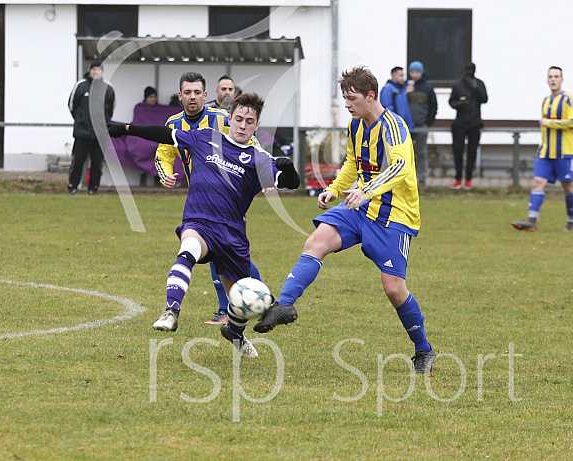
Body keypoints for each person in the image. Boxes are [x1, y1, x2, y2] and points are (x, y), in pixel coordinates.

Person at [234, 65, 436, 375]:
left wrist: (365, 191)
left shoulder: (394, 126)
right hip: (359, 208)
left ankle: (423, 351)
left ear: (371, 96)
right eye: (344, 98)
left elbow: (400, 169)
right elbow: (353, 164)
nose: (346, 104)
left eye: (351, 98)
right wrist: (334, 189)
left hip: (394, 216)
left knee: (394, 289)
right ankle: (284, 304)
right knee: (316, 241)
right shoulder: (356, 126)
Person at [108, 93, 301, 357]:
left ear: (256, 126)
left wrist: (287, 167)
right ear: (229, 119)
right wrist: (127, 129)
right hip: (199, 220)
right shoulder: (206, 137)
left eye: (249, 121)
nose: (243, 125)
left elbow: (291, 183)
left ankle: (234, 332)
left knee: (240, 293)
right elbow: (166, 134)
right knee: (188, 247)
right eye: (239, 119)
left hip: (232, 233)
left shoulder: (258, 158)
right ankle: (171, 311)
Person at [155, 72, 263, 326]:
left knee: (224, 254)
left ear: (205, 95)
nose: (192, 97)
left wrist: (263, 175)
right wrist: (166, 175)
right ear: (180, 95)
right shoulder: (173, 123)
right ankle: (248, 303)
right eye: (187, 93)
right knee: (225, 255)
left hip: (229, 198)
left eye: (197, 93)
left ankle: (237, 306)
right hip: (201, 199)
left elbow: (252, 143)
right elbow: (163, 153)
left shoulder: (221, 119)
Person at [512, 66, 573, 232]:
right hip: (545, 152)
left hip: (564, 152)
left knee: (568, 186)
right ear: (547, 79)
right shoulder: (546, 100)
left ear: (562, 79)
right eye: (550, 76)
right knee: (537, 182)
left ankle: (571, 222)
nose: (553, 79)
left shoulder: (569, 99)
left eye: (556, 76)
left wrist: (550, 122)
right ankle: (531, 220)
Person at [67, 60, 115, 195]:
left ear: (102, 72)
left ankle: (93, 189)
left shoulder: (108, 88)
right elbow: (72, 105)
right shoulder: (80, 86)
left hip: (99, 134)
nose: (96, 72)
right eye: (93, 69)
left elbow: (110, 109)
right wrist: (80, 120)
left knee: (97, 162)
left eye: (98, 69)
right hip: (82, 132)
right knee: (78, 161)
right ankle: (72, 186)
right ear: (90, 71)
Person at [448, 62, 488, 190]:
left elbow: (484, 99)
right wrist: (459, 103)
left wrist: (475, 88)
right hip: (460, 122)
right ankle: (458, 178)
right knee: (458, 151)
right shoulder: (458, 84)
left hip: (475, 123)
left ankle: (469, 179)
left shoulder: (479, 84)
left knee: (472, 151)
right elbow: (451, 101)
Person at [405, 61, 438, 187]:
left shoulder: (428, 87)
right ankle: (407, 178)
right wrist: (406, 94)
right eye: (412, 72)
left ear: (421, 72)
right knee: (407, 152)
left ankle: (422, 178)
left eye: (417, 72)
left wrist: (428, 122)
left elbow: (433, 105)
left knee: (421, 152)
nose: (415, 75)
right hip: (408, 125)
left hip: (421, 124)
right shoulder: (406, 87)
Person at [379, 66, 414, 132]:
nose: (403, 78)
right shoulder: (388, 89)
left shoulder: (402, 89)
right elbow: (387, 108)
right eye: (401, 76)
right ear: (393, 76)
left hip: (405, 127)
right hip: (396, 128)